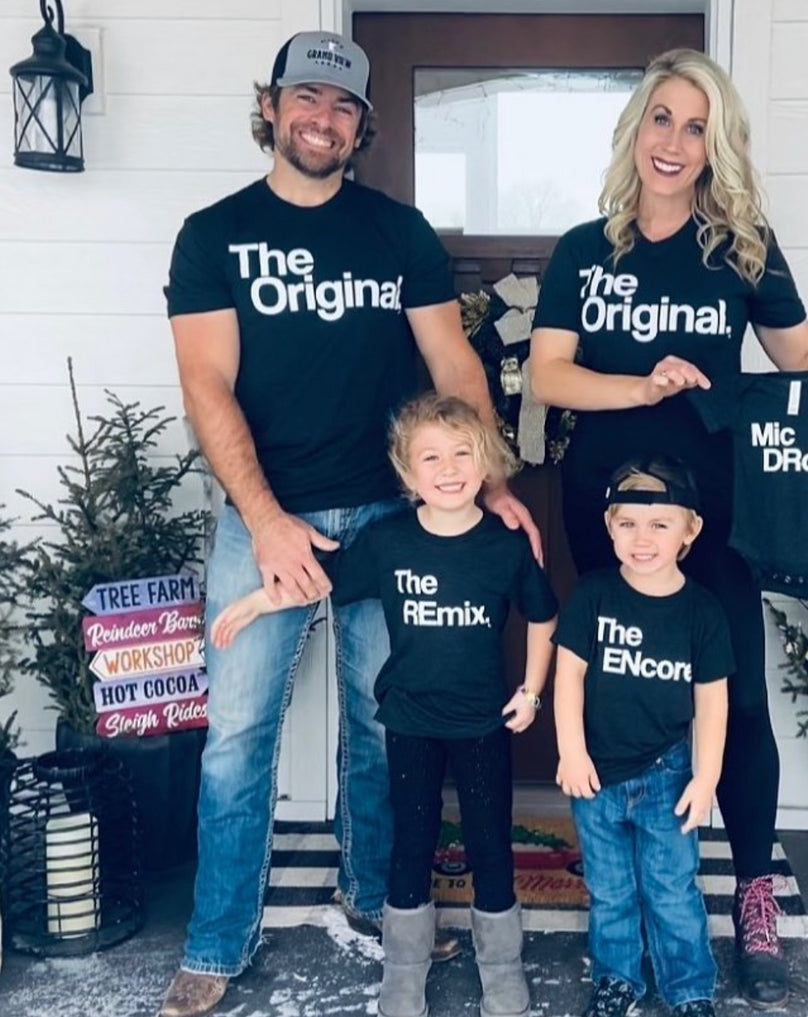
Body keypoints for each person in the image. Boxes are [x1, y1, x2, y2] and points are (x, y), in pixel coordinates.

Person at [529, 47, 808, 1008]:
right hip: (608, 505)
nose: (674, 141)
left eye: (696, 126)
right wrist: (645, 382)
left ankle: (751, 888)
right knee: (620, 683)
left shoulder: (743, 247)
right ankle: (621, 882)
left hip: (721, 511)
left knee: (737, 695)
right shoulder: (587, 248)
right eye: (661, 119)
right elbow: (548, 375)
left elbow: (799, 354)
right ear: (636, 131)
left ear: (718, 145)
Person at [159, 31, 539, 1017]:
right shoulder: (212, 236)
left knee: (384, 721)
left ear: (360, 126)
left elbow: (455, 368)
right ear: (273, 107)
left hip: (390, 512)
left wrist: (492, 481)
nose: (320, 120)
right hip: (264, 516)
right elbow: (206, 387)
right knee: (238, 734)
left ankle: (377, 893)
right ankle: (214, 941)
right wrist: (267, 521)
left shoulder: (397, 232)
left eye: (340, 107)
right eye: (304, 99)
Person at [210, 393, 558, 1017]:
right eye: (431, 457)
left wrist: (531, 691)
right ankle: (404, 966)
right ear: (406, 473)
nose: (448, 468)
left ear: (486, 466)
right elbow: (318, 580)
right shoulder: (387, 541)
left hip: (483, 724)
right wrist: (255, 603)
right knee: (411, 841)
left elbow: (543, 615)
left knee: (489, 842)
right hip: (410, 722)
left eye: (462, 454)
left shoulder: (503, 545)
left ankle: (501, 964)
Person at [554, 457, 731, 1017]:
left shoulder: (702, 611)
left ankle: (689, 987)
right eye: (628, 523)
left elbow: (712, 701)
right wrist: (571, 750)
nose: (643, 538)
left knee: (671, 887)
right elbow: (569, 676)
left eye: (659, 525)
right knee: (609, 890)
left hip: (668, 773)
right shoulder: (592, 595)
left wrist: (707, 778)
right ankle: (618, 980)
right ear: (609, 526)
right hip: (597, 776)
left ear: (689, 531)